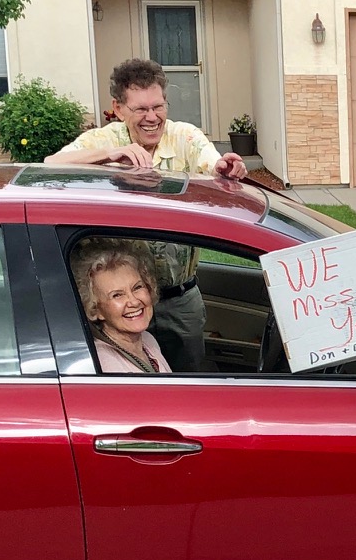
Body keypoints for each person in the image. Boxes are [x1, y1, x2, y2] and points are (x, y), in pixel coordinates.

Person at [46, 58, 248, 371]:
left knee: (191, 387)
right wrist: (110, 156)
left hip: (179, 301)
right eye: (140, 109)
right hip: (118, 306)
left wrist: (225, 169)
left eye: (158, 107)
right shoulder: (104, 141)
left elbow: (215, 164)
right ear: (118, 108)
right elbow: (50, 164)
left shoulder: (184, 137)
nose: (152, 118)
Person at [72, 241, 171, 374]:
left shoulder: (148, 340)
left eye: (137, 287)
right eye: (117, 295)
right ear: (95, 309)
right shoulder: (105, 365)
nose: (134, 302)